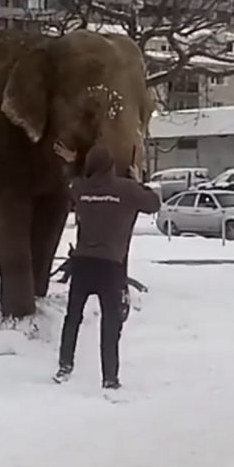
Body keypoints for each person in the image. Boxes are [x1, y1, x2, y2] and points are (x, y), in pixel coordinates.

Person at [52, 142, 160, 389]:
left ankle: (64, 367)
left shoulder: (81, 188)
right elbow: (154, 204)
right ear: (112, 166)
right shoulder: (126, 189)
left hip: (81, 264)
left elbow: (72, 183)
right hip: (110, 267)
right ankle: (110, 378)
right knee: (110, 323)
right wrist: (138, 180)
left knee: (72, 319)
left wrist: (72, 162)